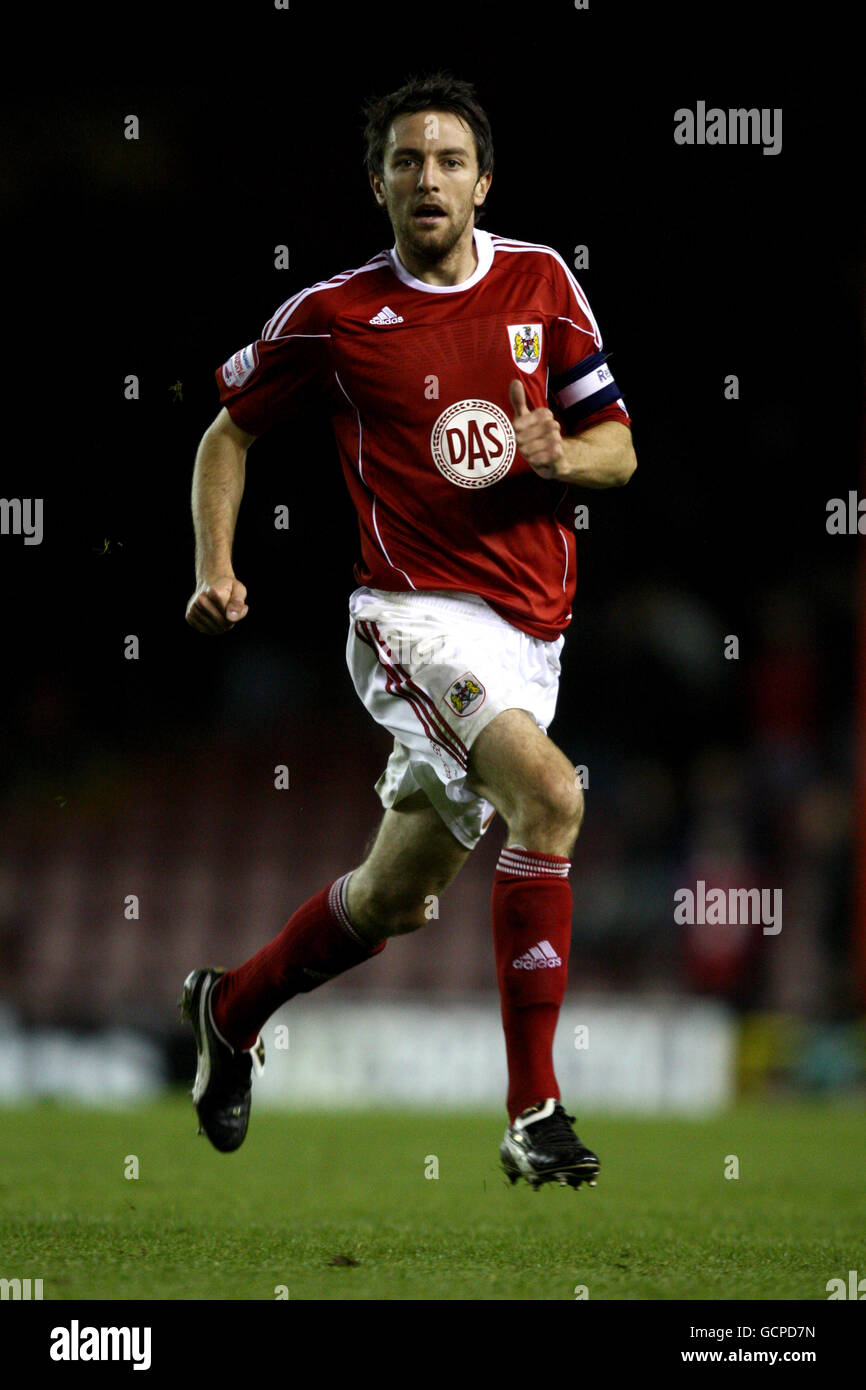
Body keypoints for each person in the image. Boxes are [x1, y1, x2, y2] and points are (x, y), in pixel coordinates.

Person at [182, 72, 636, 1190]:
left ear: (483, 181)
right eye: (403, 160)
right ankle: (533, 1108)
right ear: (375, 181)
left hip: (534, 635)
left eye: (446, 161)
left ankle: (228, 1009)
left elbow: (617, 449)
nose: (425, 178)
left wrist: (557, 459)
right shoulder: (334, 316)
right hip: (410, 616)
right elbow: (224, 436)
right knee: (551, 794)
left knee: (393, 899)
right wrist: (214, 568)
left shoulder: (540, 283)